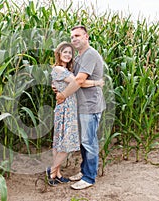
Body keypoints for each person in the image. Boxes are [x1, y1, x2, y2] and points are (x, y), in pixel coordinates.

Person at [46, 41, 104, 186]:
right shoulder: (60, 70)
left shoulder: (65, 70)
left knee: (59, 142)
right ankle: (52, 171)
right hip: (66, 108)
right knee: (66, 143)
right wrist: (98, 83)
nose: (67, 55)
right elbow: (80, 83)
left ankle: (57, 173)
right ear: (58, 54)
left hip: (68, 107)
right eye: (64, 52)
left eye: (69, 53)